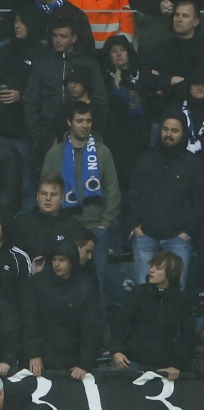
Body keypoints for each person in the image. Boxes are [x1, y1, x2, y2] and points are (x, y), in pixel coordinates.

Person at [125, 113, 201, 290]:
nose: (169, 134)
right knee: (144, 294)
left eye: (175, 130)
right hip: (145, 237)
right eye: (165, 129)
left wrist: (187, 233)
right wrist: (136, 228)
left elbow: (200, 202)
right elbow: (132, 196)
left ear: (183, 133)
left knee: (175, 295)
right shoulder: (146, 159)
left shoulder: (193, 164)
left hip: (178, 238)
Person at [40, 103, 121, 255]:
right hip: (62, 227)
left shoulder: (102, 152)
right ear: (69, 122)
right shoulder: (54, 154)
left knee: (97, 278)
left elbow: (113, 191)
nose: (85, 125)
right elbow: (45, 193)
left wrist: (104, 225)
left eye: (88, 121)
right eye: (80, 121)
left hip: (96, 228)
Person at [20, 237, 104, 378]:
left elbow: (91, 327)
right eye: (54, 260)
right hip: (40, 359)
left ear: (72, 261)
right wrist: (34, 353)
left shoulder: (85, 287)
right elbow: (29, 320)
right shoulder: (36, 283)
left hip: (72, 362)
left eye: (62, 260)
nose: (57, 264)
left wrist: (84, 363)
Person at [25, 17, 108, 153]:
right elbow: (31, 101)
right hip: (48, 133)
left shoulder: (89, 63)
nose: (58, 40)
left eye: (63, 36)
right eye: (55, 35)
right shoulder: (41, 65)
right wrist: (36, 137)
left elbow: (101, 99)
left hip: (84, 134)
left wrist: (97, 133)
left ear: (74, 38)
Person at [111, 251, 194, 379]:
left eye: (158, 268)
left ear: (171, 273)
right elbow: (119, 323)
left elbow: (187, 336)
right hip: (131, 362)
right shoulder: (138, 293)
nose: (151, 270)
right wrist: (116, 351)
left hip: (164, 366)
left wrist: (176, 365)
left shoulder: (182, 300)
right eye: (152, 266)